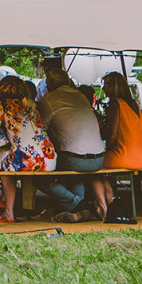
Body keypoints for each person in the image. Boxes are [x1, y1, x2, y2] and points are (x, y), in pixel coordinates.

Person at [37, 67, 104, 222]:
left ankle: (80, 205)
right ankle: (78, 212)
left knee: (39, 178)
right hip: (99, 159)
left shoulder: (50, 99)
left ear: (51, 83)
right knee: (75, 175)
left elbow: (42, 128)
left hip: (75, 159)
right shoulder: (80, 96)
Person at [0, 76, 56, 223]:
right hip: (49, 157)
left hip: (29, 160)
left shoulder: (2, 106)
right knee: (10, 159)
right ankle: (10, 203)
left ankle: (8, 211)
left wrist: (8, 142)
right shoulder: (32, 104)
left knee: (5, 167)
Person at [95, 71, 142, 219]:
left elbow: (112, 134)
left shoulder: (115, 104)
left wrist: (108, 150)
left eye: (106, 85)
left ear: (114, 87)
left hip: (125, 155)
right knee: (102, 168)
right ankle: (110, 202)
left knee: (91, 166)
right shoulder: (135, 104)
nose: (104, 88)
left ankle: (104, 206)